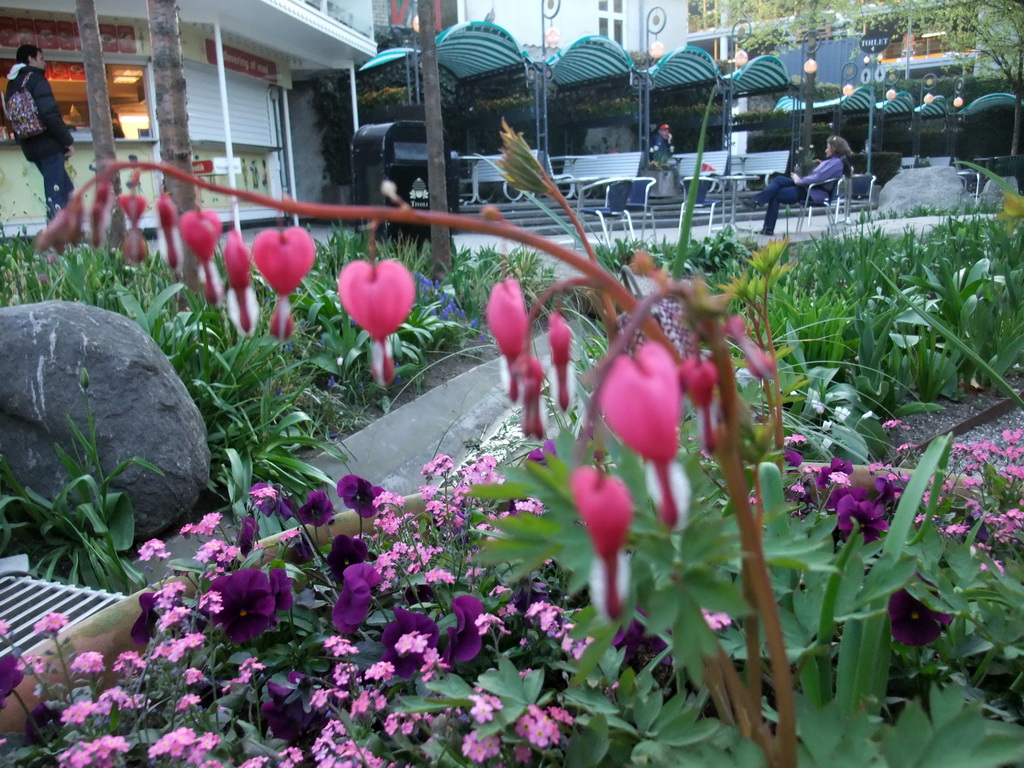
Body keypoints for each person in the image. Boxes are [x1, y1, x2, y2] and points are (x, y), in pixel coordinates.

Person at [6, 45, 75, 221]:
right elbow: (49, 113)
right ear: (31, 59)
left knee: (67, 191)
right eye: (41, 58)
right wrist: (67, 140)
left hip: (30, 146)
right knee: (56, 194)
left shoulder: (12, 84)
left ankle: (71, 236)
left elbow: (13, 117)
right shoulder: (36, 80)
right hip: (49, 145)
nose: (44, 63)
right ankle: (55, 241)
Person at [744, 135, 852, 236]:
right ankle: (756, 202)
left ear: (835, 149)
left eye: (828, 148)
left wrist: (798, 181)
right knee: (779, 179)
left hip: (813, 192)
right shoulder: (833, 161)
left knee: (776, 194)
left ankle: (765, 222)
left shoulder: (836, 163)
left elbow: (818, 178)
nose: (825, 150)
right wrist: (799, 179)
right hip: (808, 188)